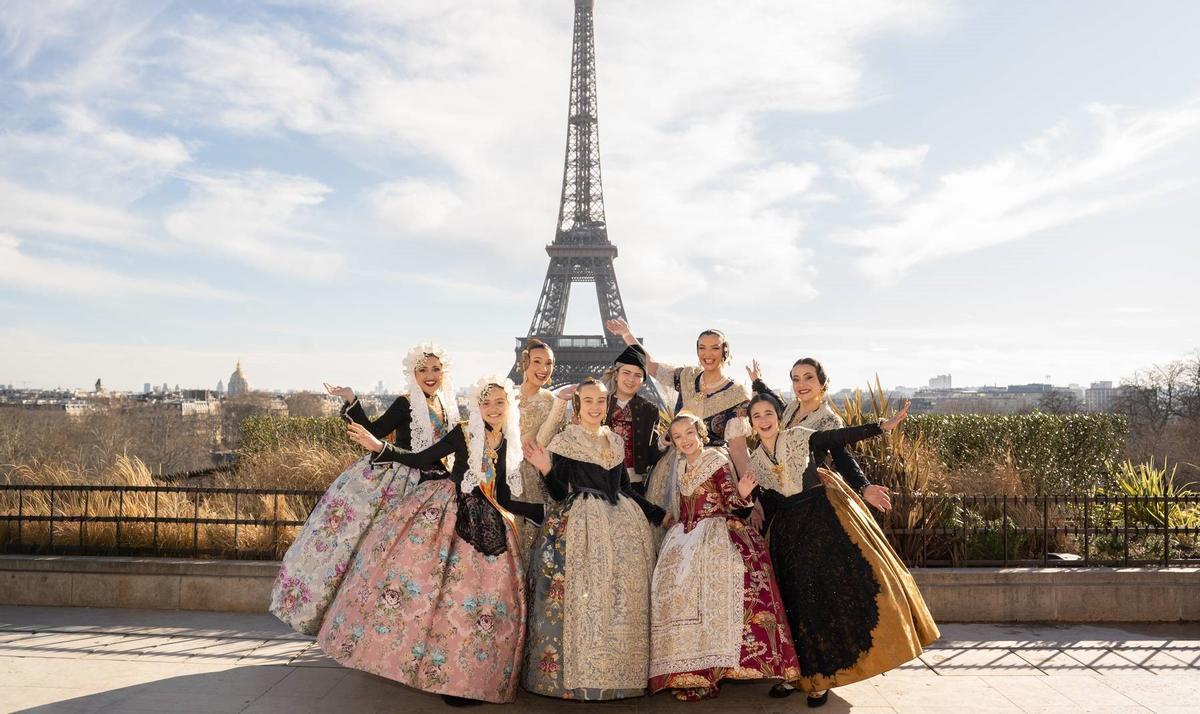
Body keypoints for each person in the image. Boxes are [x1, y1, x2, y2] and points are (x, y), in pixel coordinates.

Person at [319, 376, 539, 706]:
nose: (493, 408)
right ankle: (444, 678)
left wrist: (544, 510)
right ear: (478, 406)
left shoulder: (508, 443)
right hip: (449, 516)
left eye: (499, 402)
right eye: (487, 402)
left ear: (509, 406)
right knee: (445, 598)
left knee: (483, 604)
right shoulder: (463, 432)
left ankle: (471, 678)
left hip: (490, 526)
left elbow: (503, 496)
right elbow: (420, 458)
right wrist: (380, 446)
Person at [729, 393, 939, 707]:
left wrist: (881, 426)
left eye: (769, 412)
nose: (764, 420)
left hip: (821, 526)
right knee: (795, 606)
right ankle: (796, 675)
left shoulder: (800, 437)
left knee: (823, 602)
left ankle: (821, 681)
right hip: (787, 536)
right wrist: (745, 498)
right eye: (756, 415)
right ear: (751, 423)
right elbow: (759, 508)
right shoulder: (755, 460)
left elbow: (839, 438)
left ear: (778, 415)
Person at [269, 343, 459, 635]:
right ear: (413, 373)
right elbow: (376, 430)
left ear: (445, 372)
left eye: (436, 369)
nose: (430, 375)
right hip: (399, 479)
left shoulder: (445, 404)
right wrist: (351, 399)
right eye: (423, 369)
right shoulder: (404, 402)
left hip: (433, 483)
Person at [522, 378, 665, 701]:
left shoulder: (614, 440)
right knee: (583, 596)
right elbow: (559, 494)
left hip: (622, 523)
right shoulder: (565, 440)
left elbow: (625, 488)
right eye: (588, 401)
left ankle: (621, 674)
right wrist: (546, 468)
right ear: (578, 405)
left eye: (601, 401)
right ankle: (580, 675)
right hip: (579, 523)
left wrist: (656, 513)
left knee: (621, 596)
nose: (595, 407)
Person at [648, 412, 799, 700]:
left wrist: (743, 494)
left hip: (717, 533)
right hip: (685, 538)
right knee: (675, 594)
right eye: (677, 436)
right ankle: (690, 670)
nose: (685, 440)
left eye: (689, 433)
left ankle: (715, 670)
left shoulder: (716, 460)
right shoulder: (680, 467)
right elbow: (684, 506)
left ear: (700, 433)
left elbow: (730, 501)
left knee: (722, 595)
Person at [513, 338, 570, 552]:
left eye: (549, 363)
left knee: (535, 545)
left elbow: (545, 444)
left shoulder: (552, 401)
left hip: (537, 478)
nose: (543, 369)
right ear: (524, 363)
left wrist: (560, 404)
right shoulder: (506, 396)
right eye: (537, 361)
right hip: (506, 477)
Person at [604, 344, 665, 495]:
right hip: (599, 479)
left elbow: (650, 456)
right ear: (616, 375)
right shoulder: (598, 403)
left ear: (643, 380)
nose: (631, 379)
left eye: (638, 375)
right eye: (626, 373)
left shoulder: (650, 410)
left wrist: (664, 442)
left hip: (633, 483)